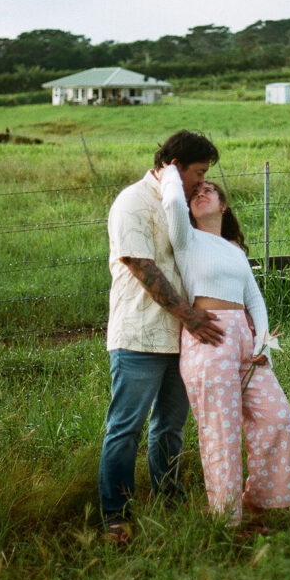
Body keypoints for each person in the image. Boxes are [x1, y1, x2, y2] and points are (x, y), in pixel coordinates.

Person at [98, 130, 225, 544]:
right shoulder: (132, 202)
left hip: (182, 338)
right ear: (174, 166)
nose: (201, 181)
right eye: (198, 172)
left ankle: (170, 500)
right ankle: (115, 515)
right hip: (140, 335)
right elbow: (142, 266)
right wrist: (191, 316)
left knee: (170, 428)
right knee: (126, 428)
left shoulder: (181, 204)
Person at [160, 161, 290, 527]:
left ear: (223, 206)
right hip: (210, 338)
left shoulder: (235, 251)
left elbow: (255, 300)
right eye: (196, 192)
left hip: (246, 341)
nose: (201, 193)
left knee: (278, 417)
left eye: (209, 190)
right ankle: (227, 517)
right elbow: (171, 202)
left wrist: (264, 345)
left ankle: (261, 499)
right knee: (222, 430)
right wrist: (171, 168)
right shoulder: (186, 240)